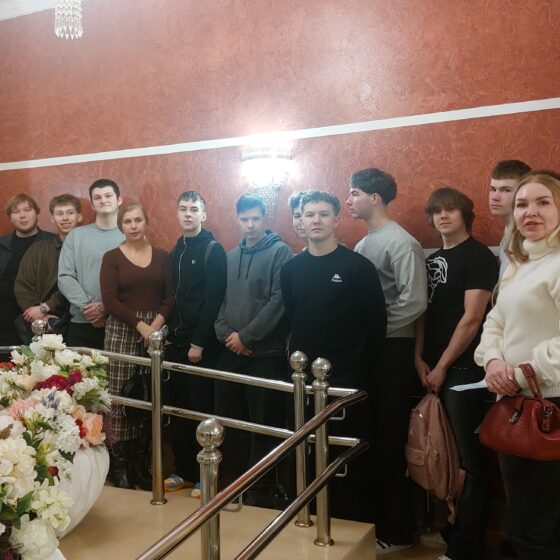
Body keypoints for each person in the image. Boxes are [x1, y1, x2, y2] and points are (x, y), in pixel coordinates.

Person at [281, 190, 386, 521]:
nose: (316, 220)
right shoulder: (290, 269)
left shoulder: (358, 267)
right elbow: (293, 316)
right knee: (307, 449)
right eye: (309, 214)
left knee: (345, 452)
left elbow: (375, 326)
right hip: (304, 380)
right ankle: (308, 514)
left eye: (323, 214)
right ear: (301, 219)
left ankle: (350, 520)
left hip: (348, 378)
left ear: (336, 219)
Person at [475, 172, 560, 560]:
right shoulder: (519, 264)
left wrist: (524, 371)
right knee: (530, 521)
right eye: (523, 204)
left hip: (550, 404)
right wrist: (493, 361)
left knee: (532, 528)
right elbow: (494, 322)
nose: (531, 212)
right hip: (516, 402)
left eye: (543, 202)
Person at [346, 168, 427, 553]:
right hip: (372, 350)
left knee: (390, 440)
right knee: (372, 437)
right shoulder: (365, 243)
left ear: (374, 197)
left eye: (355, 193)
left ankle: (398, 532)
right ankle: (374, 523)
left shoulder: (402, 242)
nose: (349, 201)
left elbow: (414, 301)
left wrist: (372, 331)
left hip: (393, 349)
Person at [415, 187, 498, 560]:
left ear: (465, 214)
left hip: (464, 370)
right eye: (437, 211)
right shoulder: (432, 259)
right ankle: (449, 528)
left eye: (451, 209)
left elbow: (472, 319)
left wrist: (443, 366)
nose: (443, 216)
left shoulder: (478, 256)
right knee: (438, 452)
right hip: (431, 367)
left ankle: (466, 546)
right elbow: (422, 313)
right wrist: (419, 358)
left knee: (469, 461)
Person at [214, 194, 293, 493]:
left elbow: (278, 300)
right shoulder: (231, 255)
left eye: (255, 218)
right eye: (245, 219)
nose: (250, 225)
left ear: (265, 217)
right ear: (238, 219)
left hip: (265, 354)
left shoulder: (280, 251)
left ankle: (260, 488)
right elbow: (221, 300)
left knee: (263, 424)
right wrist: (227, 335)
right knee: (230, 419)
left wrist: (245, 337)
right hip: (231, 350)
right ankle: (235, 484)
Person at [100, 202, 174, 489]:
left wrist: (153, 326)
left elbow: (170, 297)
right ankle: (119, 466)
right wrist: (140, 325)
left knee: (149, 395)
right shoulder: (111, 257)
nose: (133, 225)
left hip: (156, 331)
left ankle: (140, 464)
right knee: (119, 397)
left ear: (146, 222)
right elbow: (109, 300)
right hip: (122, 329)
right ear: (121, 225)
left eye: (138, 220)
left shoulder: (162, 256)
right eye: (127, 221)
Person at [164, 191, 227, 493]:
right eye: (183, 209)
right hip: (176, 344)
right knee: (178, 412)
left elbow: (214, 300)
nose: (188, 214)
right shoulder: (177, 249)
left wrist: (199, 342)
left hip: (202, 346)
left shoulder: (213, 250)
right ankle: (184, 470)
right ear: (177, 214)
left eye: (194, 209)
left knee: (202, 412)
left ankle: (207, 476)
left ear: (203, 215)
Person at [58, 179, 124, 349]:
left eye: (108, 195)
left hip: (120, 323)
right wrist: (89, 308)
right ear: (92, 205)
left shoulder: (132, 237)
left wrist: (106, 307)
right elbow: (65, 277)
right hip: (81, 323)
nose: (103, 200)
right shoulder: (76, 236)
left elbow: (137, 282)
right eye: (97, 197)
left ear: (119, 200)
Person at [14, 194, 83, 343]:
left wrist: (46, 307)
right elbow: (22, 285)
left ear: (79, 217)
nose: (65, 218)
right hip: (39, 325)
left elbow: (81, 285)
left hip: (79, 321)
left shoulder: (88, 249)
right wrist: (38, 314)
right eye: (59, 213)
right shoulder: (37, 250)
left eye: (70, 212)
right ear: (52, 218)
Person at [0, 194, 54, 347]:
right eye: (16, 211)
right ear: (10, 217)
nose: (22, 215)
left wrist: (46, 310)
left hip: (38, 317)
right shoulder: (2, 244)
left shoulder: (52, 243)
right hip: (4, 319)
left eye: (27, 210)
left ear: (36, 212)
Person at [489, 160, 531, 278]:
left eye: (506, 190)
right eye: (493, 189)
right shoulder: (509, 231)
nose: (495, 197)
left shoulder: (528, 237)